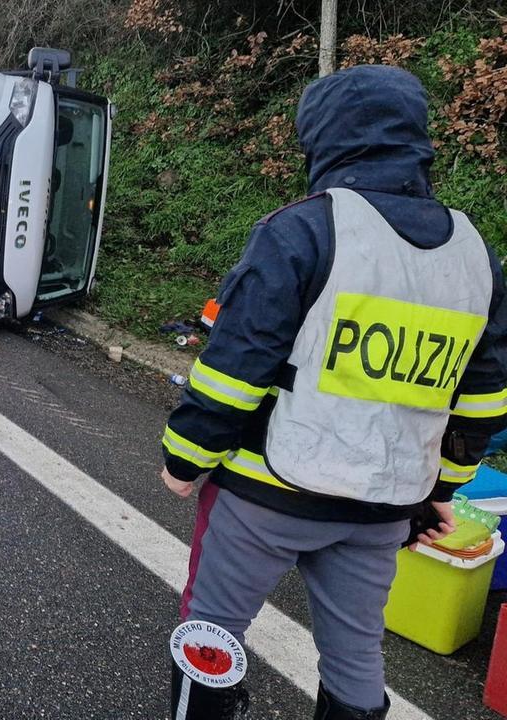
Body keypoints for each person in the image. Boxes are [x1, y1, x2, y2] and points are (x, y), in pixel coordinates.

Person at [160, 64, 507, 720]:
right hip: (383, 509)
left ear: (323, 139)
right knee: (355, 656)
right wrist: (440, 492)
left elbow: (236, 368)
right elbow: (484, 398)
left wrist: (186, 458)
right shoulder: (472, 253)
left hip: (271, 492)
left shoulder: (303, 229)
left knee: (209, 637)